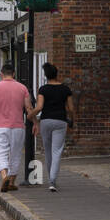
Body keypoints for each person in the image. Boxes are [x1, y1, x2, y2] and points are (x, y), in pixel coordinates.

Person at [0, 63, 34, 192]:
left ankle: (4, 176)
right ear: (14, 74)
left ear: (1, 74)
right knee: (15, 154)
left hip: (0, 127)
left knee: (0, 152)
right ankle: (11, 182)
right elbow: (29, 108)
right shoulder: (22, 88)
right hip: (18, 127)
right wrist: (36, 124)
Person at [30, 62, 76, 192]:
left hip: (46, 121)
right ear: (57, 74)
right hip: (60, 121)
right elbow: (71, 109)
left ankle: (51, 179)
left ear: (46, 76)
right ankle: (52, 181)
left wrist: (30, 115)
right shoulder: (65, 89)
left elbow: (39, 107)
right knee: (57, 151)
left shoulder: (43, 89)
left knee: (48, 151)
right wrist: (72, 120)